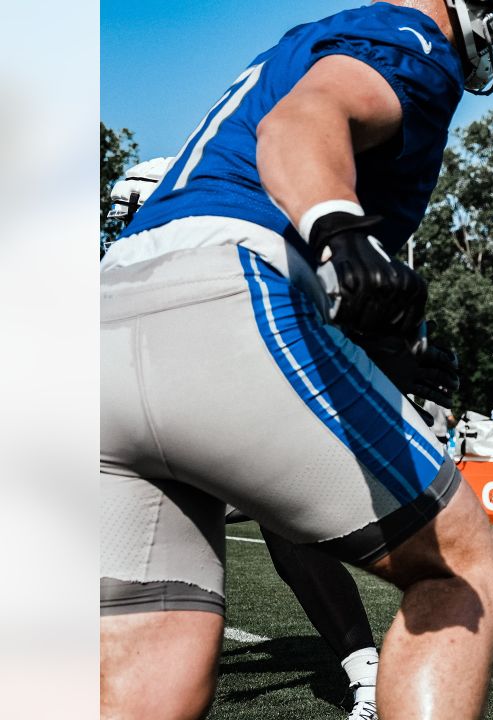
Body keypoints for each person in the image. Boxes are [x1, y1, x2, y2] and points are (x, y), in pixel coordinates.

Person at [99, 3, 493, 718]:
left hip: (106, 324)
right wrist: (339, 225)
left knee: (152, 668)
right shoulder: (409, 42)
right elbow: (301, 122)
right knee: (462, 566)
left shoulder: (306, 37)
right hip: (222, 296)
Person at [105, 157, 391, 720]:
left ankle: (370, 675)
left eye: (126, 216)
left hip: (254, 432)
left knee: (288, 533)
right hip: (175, 444)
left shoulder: (214, 271)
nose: (117, 231)